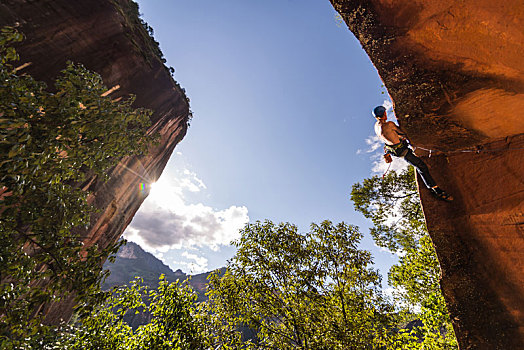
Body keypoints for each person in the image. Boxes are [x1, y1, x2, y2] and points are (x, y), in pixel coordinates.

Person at [372, 105, 453, 201]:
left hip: (393, 150)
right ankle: (436, 190)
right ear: (384, 113)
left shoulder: (376, 127)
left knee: (418, 164)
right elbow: (402, 133)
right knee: (421, 166)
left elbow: (387, 138)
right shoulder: (389, 124)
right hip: (402, 150)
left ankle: (433, 187)